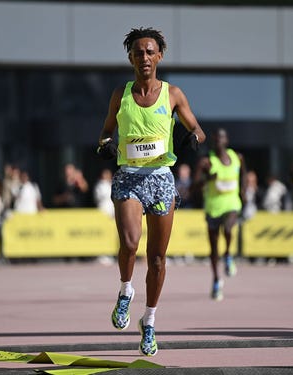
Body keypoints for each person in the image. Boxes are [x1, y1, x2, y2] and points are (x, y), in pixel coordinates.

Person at [97, 27, 205, 356]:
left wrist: (193, 138)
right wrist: (104, 144)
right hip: (128, 176)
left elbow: (197, 128)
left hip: (160, 177)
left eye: (150, 52)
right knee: (130, 243)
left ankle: (149, 320)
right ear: (130, 57)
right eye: (138, 52)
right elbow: (105, 131)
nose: (144, 57)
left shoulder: (173, 94)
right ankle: (126, 290)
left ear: (159, 56)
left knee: (157, 259)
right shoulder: (121, 93)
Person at [193, 128, 246, 301]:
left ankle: (229, 255)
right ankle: (216, 280)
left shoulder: (237, 158)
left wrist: (243, 191)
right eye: (215, 139)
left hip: (232, 204)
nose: (218, 141)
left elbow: (243, 174)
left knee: (229, 229)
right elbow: (194, 186)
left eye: (221, 138)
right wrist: (208, 179)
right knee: (213, 248)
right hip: (213, 207)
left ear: (226, 140)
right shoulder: (206, 161)